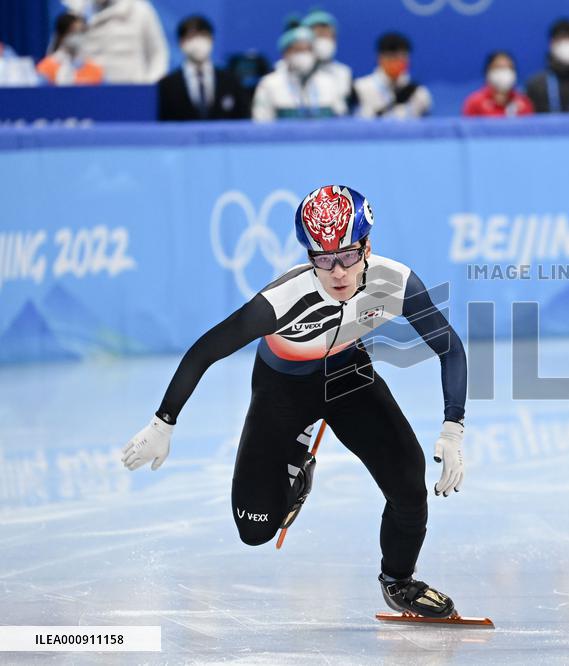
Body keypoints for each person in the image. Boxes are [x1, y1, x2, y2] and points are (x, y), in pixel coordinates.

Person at [121, 185, 468, 619]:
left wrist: (453, 429)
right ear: (308, 257)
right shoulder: (283, 299)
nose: (337, 271)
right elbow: (205, 349)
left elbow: (449, 347)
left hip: (346, 375)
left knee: (408, 479)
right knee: (254, 530)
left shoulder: (393, 281)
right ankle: (297, 472)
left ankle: (399, 580)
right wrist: (163, 423)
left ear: (367, 247)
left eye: (347, 255)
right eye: (322, 258)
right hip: (281, 390)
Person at [157, 15, 248, 121]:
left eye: (203, 36)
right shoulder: (166, 86)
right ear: (181, 42)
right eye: (192, 37)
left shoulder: (231, 81)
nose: (198, 42)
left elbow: (243, 119)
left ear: (212, 39)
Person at [252, 26, 349, 121]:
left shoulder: (328, 82)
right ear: (285, 53)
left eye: (308, 49)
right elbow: (261, 122)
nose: (304, 54)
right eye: (298, 50)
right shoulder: (269, 84)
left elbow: (341, 117)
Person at [82, 0, 168, 83]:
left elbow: (158, 52)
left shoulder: (140, 9)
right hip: (94, 91)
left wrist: (149, 86)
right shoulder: (81, 12)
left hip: (134, 89)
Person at [352, 32, 432, 118]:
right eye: (391, 57)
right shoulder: (360, 88)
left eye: (402, 57)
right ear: (380, 58)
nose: (397, 61)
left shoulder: (419, 93)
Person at [302, 8, 352, 110]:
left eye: (327, 35)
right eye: (319, 35)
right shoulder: (281, 70)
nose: (323, 40)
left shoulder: (344, 73)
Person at [37, 13, 103, 85]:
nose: (77, 37)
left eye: (81, 32)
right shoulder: (46, 68)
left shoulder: (95, 69)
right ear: (61, 36)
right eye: (73, 32)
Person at [462, 51, 534, 117]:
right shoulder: (475, 103)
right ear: (488, 72)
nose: (504, 72)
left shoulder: (524, 103)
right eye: (498, 68)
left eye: (509, 68)